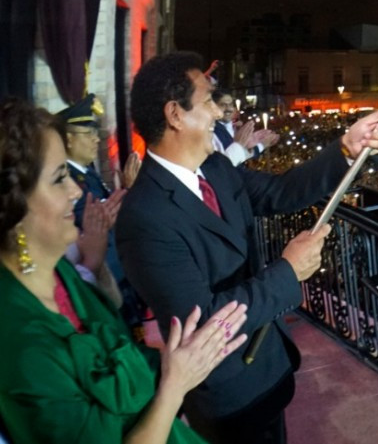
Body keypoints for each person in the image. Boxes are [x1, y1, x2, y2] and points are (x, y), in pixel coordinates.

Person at [116, 51, 378, 444]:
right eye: (209, 101)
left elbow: (282, 192)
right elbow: (204, 324)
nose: (220, 113)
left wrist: (345, 150)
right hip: (229, 393)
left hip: (269, 363)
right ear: (175, 115)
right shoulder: (144, 216)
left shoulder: (215, 169)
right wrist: (288, 272)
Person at [0, 97, 249, 443]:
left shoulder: (55, 272)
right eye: (59, 179)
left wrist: (96, 264)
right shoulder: (20, 343)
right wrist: (175, 384)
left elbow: (109, 320)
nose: (75, 191)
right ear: (14, 203)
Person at [57, 94, 148, 333]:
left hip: (115, 275)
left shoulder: (87, 173)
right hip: (103, 277)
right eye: (88, 133)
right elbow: (98, 220)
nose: (97, 139)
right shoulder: (72, 181)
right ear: (68, 139)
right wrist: (128, 191)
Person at [211, 87, 277, 167]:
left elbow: (239, 157)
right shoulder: (212, 132)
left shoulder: (233, 128)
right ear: (213, 107)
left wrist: (259, 146)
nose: (229, 109)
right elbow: (223, 166)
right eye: (223, 105)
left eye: (231, 104)